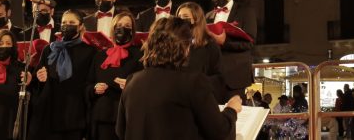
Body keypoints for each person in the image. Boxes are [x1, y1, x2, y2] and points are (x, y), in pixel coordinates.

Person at [116, 17, 241, 139]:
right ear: (185, 47)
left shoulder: (132, 80)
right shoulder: (193, 82)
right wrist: (231, 109)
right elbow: (220, 132)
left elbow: (121, 131)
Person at [32, 8, 96, 140]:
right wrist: (40, 77)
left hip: (74, 114)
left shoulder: (90, 51)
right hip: (50, 113)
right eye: (64, 22)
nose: (67, 25)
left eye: (71, 22)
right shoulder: (49, 49)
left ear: (80, 26)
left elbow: (89, 81)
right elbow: (37, 79)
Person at [88, 10, 143, 140]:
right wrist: (94, 88)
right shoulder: (100, 55)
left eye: (127, 26)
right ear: (113, 29)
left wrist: (131, 86)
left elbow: (146, 86)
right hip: (102, 115)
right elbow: (88, 83)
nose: (122, 29)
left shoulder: (140, 55)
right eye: (119, 25)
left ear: (133, 31)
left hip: (127, 116)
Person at [204, 0, 257, 100]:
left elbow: (250, 42)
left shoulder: (246, 12)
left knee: (237, 117)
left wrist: (224, 42)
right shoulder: (208, 16)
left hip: (235, 76)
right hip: (212, 77)